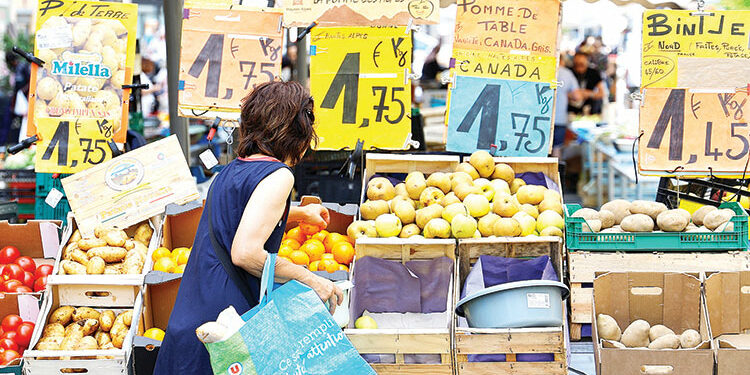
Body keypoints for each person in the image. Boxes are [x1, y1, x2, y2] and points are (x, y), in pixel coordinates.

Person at [154, 81, 344, 374]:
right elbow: (244, 252)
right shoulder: (279, 175)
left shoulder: (231, 170)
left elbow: (242, 215)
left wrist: (302, 214)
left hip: (192, 321)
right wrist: (310, 278)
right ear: (298, 131)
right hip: (227, 333)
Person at [552, 57, 581, 157]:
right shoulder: (567, 73)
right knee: (556, 149)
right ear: (562, 61)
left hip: (540, 119)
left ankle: (535, 173)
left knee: (537, 151)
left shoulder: (542, 69)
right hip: (559, 118)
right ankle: (556, 172)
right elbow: (577, 96)